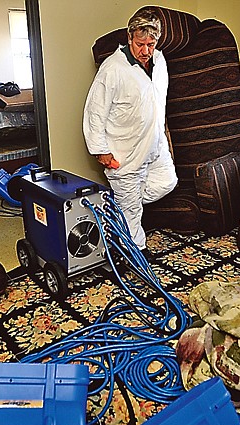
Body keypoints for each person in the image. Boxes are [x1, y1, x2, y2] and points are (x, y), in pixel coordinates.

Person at [83, 8, 177, 257]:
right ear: (129, 38)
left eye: (151, 44)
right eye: (140, 44)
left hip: (155, 147)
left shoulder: (160, 62)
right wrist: (100, 151)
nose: (145, 51)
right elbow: (95, 112)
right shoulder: (112, 69)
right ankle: (136, 254)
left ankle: (118, 207)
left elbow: (159, 104)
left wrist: (164, 139)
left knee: (168, 182)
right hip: (124, 152)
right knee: (132, 210)